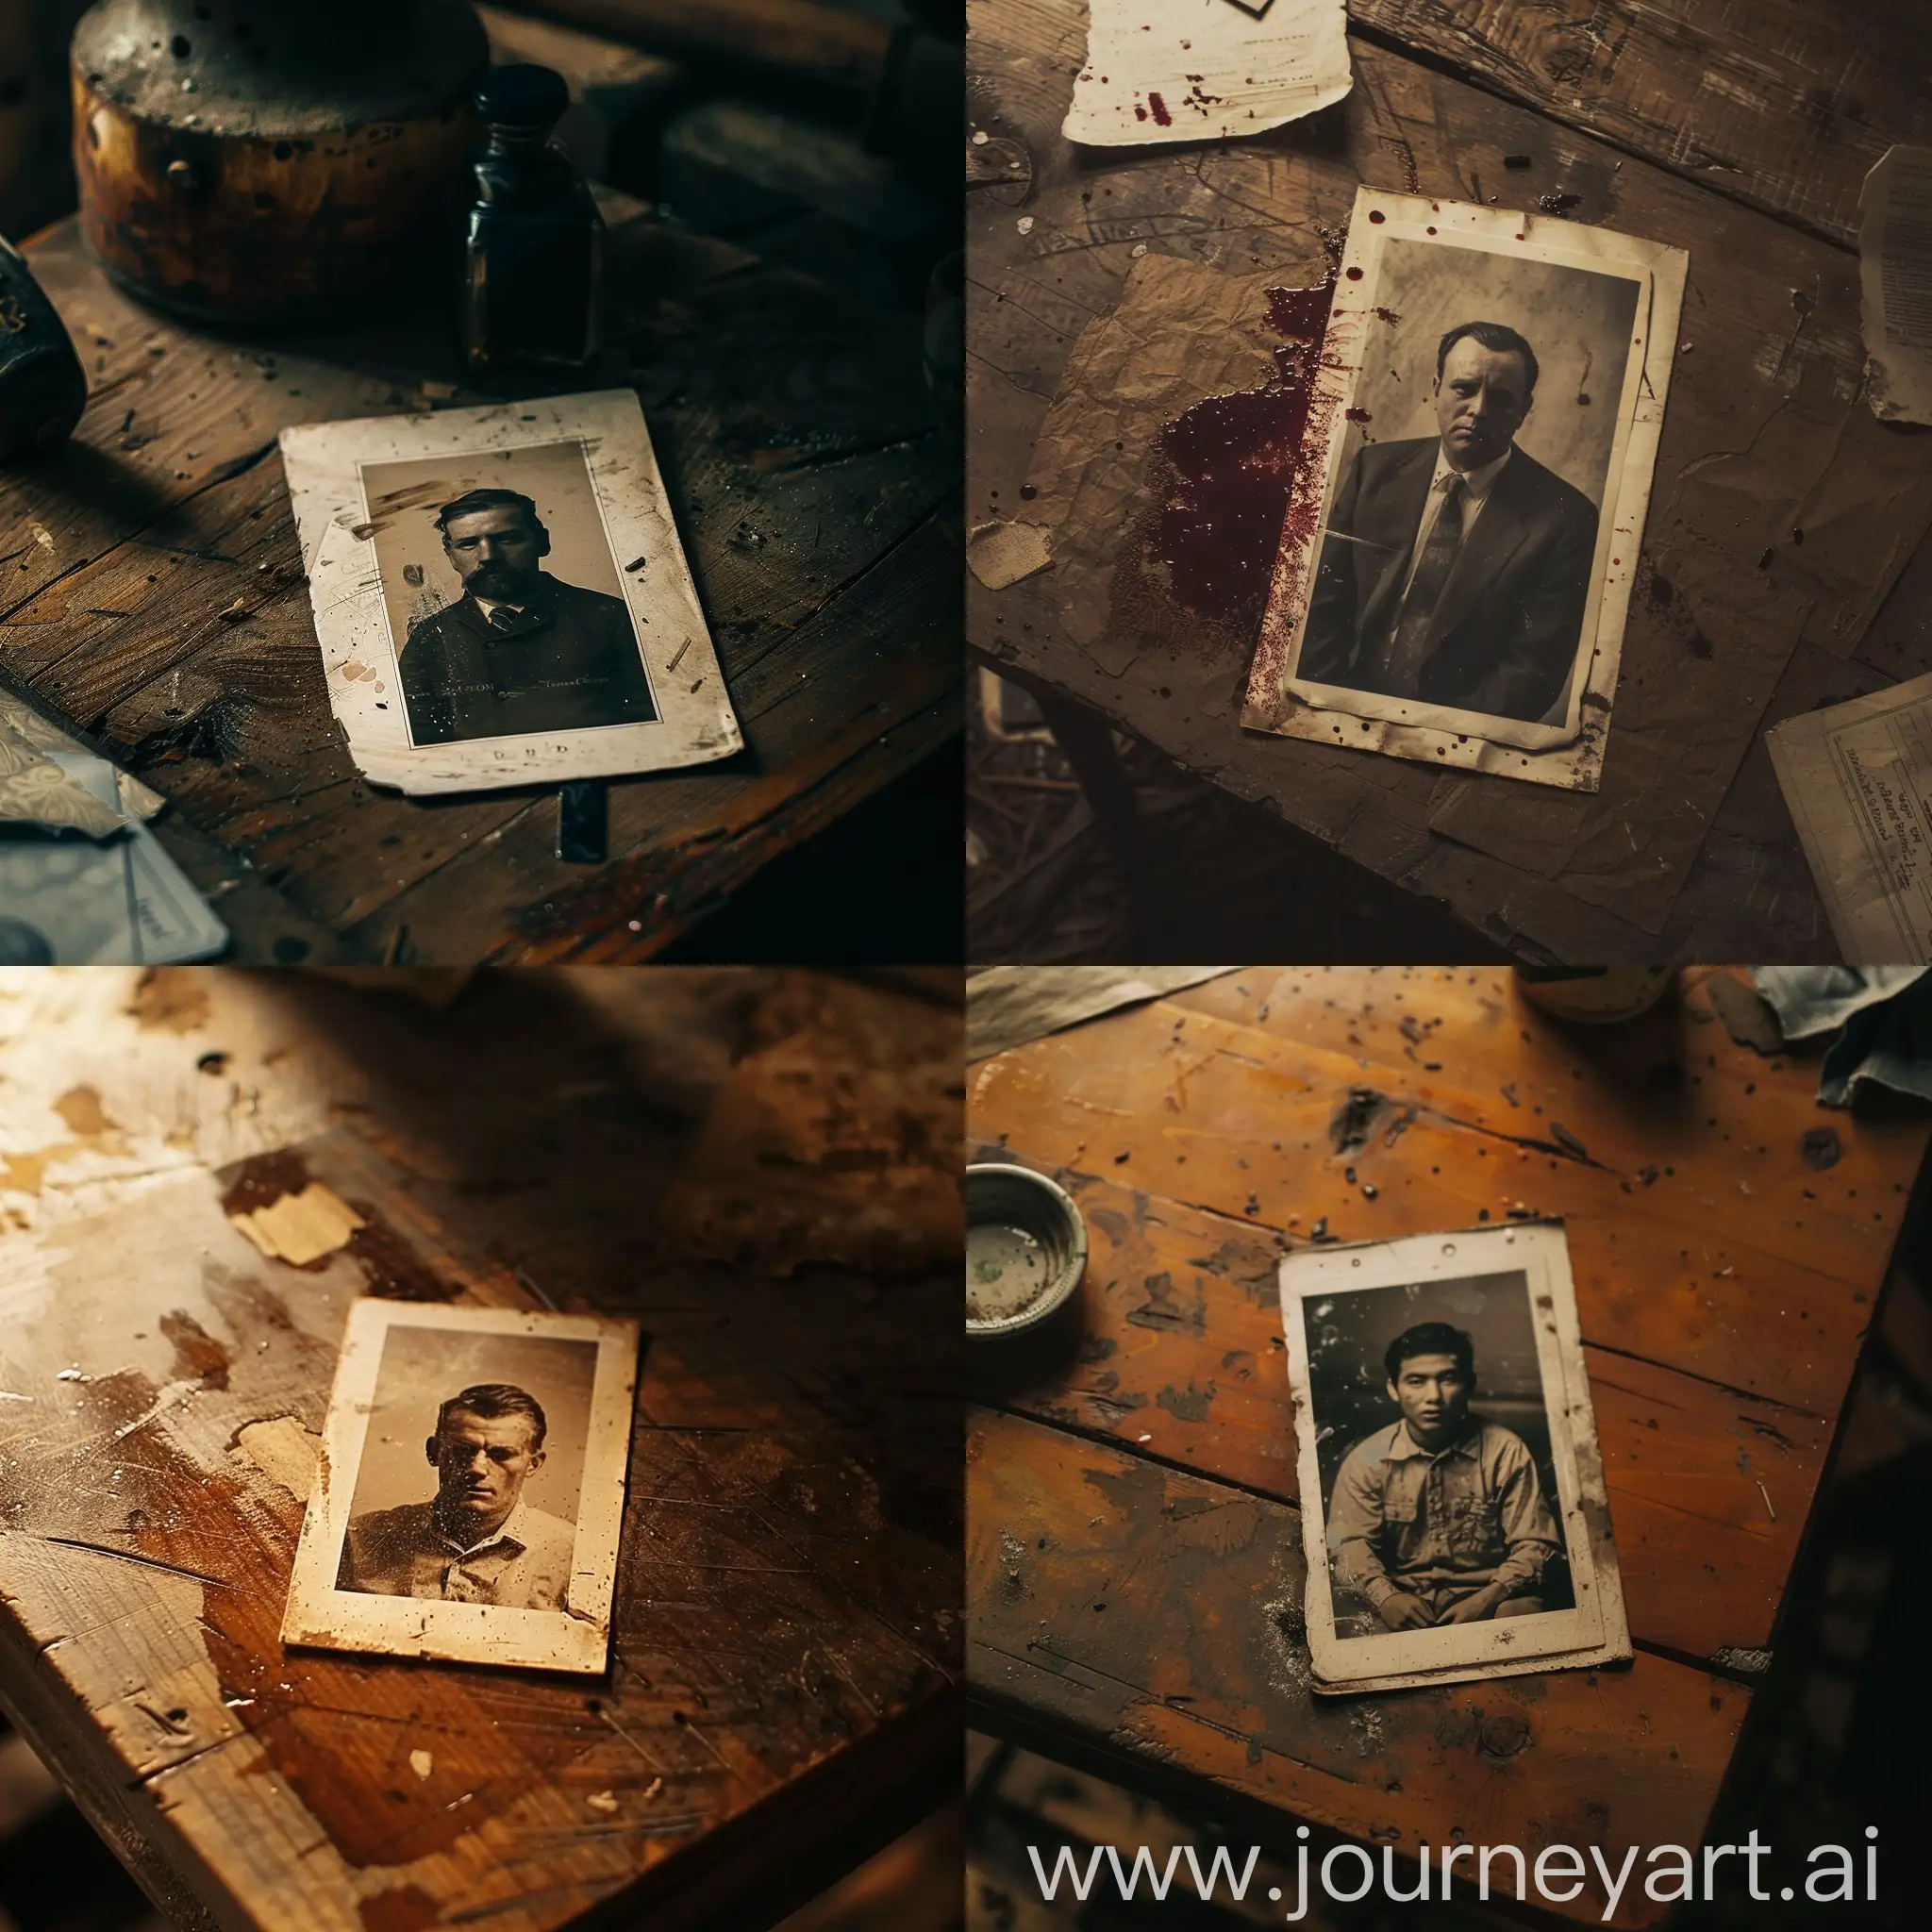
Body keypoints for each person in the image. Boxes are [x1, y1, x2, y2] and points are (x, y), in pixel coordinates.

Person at [1296, 321, 1600, 723]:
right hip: (1342, 701)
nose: (1479, 410)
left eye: (1502, 398)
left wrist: (1432, 737)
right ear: (1436, 388)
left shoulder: (1565, 518)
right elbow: (1319, 605)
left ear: (1524, 410)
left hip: (1454, 732)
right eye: (1464, 388)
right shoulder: (1375, 469)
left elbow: (1532, 671)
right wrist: (1326, 702)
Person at [1325, 1320, 1558, 1631]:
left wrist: (1487, 1598)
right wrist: (1387, 1599)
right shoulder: (1367, 1460)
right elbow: (1346, 1546)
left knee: (1525, 1618)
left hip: (1492, 1598)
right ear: (1393, 1389)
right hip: (1402, 1603)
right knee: (1362, 1636)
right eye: (1416, 1381)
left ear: (1469, 1383)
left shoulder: (1505, 1450)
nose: (1433, 1396)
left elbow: (1535, 1544)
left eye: (1447, 1379)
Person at [398, 487, 657, 742]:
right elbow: (418, 736)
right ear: (451, 556)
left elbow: (651, 719)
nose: (488, 556)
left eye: (507, 539)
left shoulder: (610, 615)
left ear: (542, 541)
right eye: (468, 544)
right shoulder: (429, 636)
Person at [337, 1383, 577, 1610]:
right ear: (434, 1452)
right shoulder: (358, 1540)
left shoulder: (573, 1557)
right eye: (462, 1451)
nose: (477, 1468)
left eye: (501, 1454)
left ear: (533, 1464)